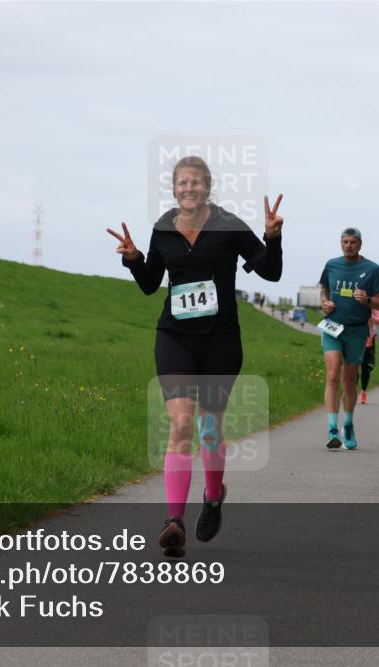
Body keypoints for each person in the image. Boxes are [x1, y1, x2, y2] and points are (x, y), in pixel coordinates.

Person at [107, 156, 284, 558]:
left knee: (208, 430)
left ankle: (214, 494)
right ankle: (174, 522)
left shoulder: (230, 226)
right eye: (182, 183)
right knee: (182, 423)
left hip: (221, 341)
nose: (189, 189)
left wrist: (272, 237)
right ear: (174, 189)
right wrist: (134, 259)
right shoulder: (163, 229)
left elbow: (269, 273)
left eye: (196, 183)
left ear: (208, 186)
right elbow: (151, 284)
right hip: (175, 336)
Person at [318, 228, 379, 450]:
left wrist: (366, 300)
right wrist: (324, 302)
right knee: (333, 374)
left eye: (353, 242)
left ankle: (348, 424)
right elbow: (324, 290)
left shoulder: (372, 269)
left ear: (360, 244)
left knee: (349, 380)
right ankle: (332, 428)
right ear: (340, 243)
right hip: (332, 327)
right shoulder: (331, 265)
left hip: (356, 330)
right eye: (345, 242)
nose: (349, 246)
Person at [358, 308, 379, 404]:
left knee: (365, 367)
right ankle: (350, 392)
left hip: (368, 339)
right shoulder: (353, 302)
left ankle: (363, 392)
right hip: (353, 337)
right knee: (352, 366)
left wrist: (370, 315)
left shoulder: (372, 306)